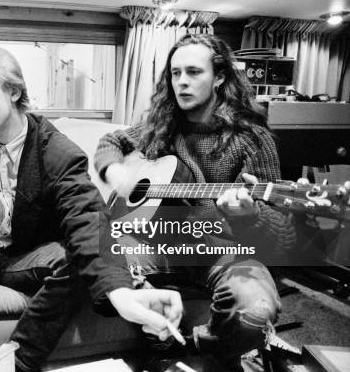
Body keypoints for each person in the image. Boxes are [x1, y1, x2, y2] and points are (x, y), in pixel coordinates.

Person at [0, 46, 184, 372]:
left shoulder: (56, 150)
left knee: (76, 257)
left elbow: (88, 218)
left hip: (29, 254)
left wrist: (120, 290)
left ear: (13, 91)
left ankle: (11, 362)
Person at [94, 34, 296, 370]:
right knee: (100, 251)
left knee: (256, 308)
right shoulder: (162, 125)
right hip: (158, 244)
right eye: (175, 73)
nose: (182, 82)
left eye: (193, 72)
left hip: (223, 252)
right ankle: (158, 340)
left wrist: (250, 214)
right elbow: (111, 139)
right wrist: (114, 170)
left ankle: (198, 342)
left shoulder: (252, 140)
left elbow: (284, 238)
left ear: (219, 77)